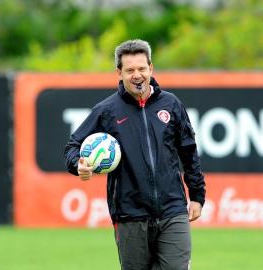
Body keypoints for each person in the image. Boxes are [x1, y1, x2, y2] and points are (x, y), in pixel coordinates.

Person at [64, 39, 206, 270]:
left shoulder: (171, 104)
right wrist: (77, 164)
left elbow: (189, 151)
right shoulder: (107, 110)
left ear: (151, 68)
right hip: (130, 214)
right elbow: (72, 146)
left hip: (173, 209)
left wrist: (197, 196)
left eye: (142, 68)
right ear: (119, 73)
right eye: (130, 70)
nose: (137, 75)